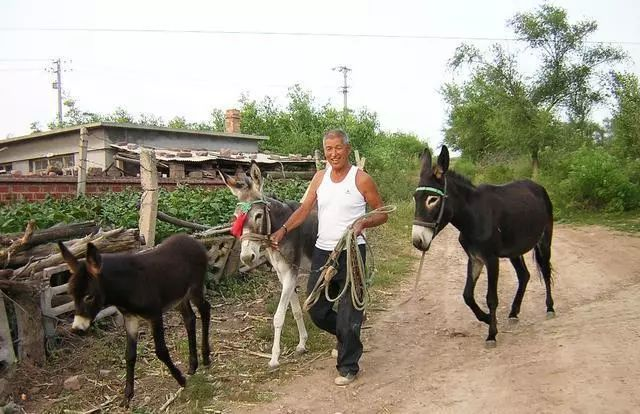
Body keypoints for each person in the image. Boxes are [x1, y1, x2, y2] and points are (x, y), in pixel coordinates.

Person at [270, 129, 388, 386]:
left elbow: (382, 213)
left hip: (352, 252)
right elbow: (304, 209)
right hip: (324, 252)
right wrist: (283, 229)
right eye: (328, 150)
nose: (333, 154)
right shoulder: (320, 178)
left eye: (338, 148)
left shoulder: (361, 179)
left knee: (350, 310)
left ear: (347, 149)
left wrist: (363, 223)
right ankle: (348, 337)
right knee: (316, 307)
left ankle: (348, 366)